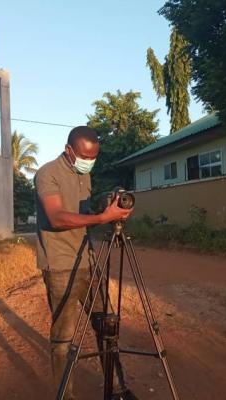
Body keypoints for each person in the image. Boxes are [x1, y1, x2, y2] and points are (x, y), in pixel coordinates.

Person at [34, 126, 138, 400]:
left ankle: (117, 390)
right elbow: (57, 218)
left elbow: (82, 215)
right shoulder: (48, 174)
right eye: (84, 156)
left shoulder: (85, 175)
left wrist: (108, 213)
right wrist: (102, 219)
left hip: (89, 261)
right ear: (69, 150)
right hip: (60, 266)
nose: (88, 162)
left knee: (107, 328)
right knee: (64, 339)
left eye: (93, 157)